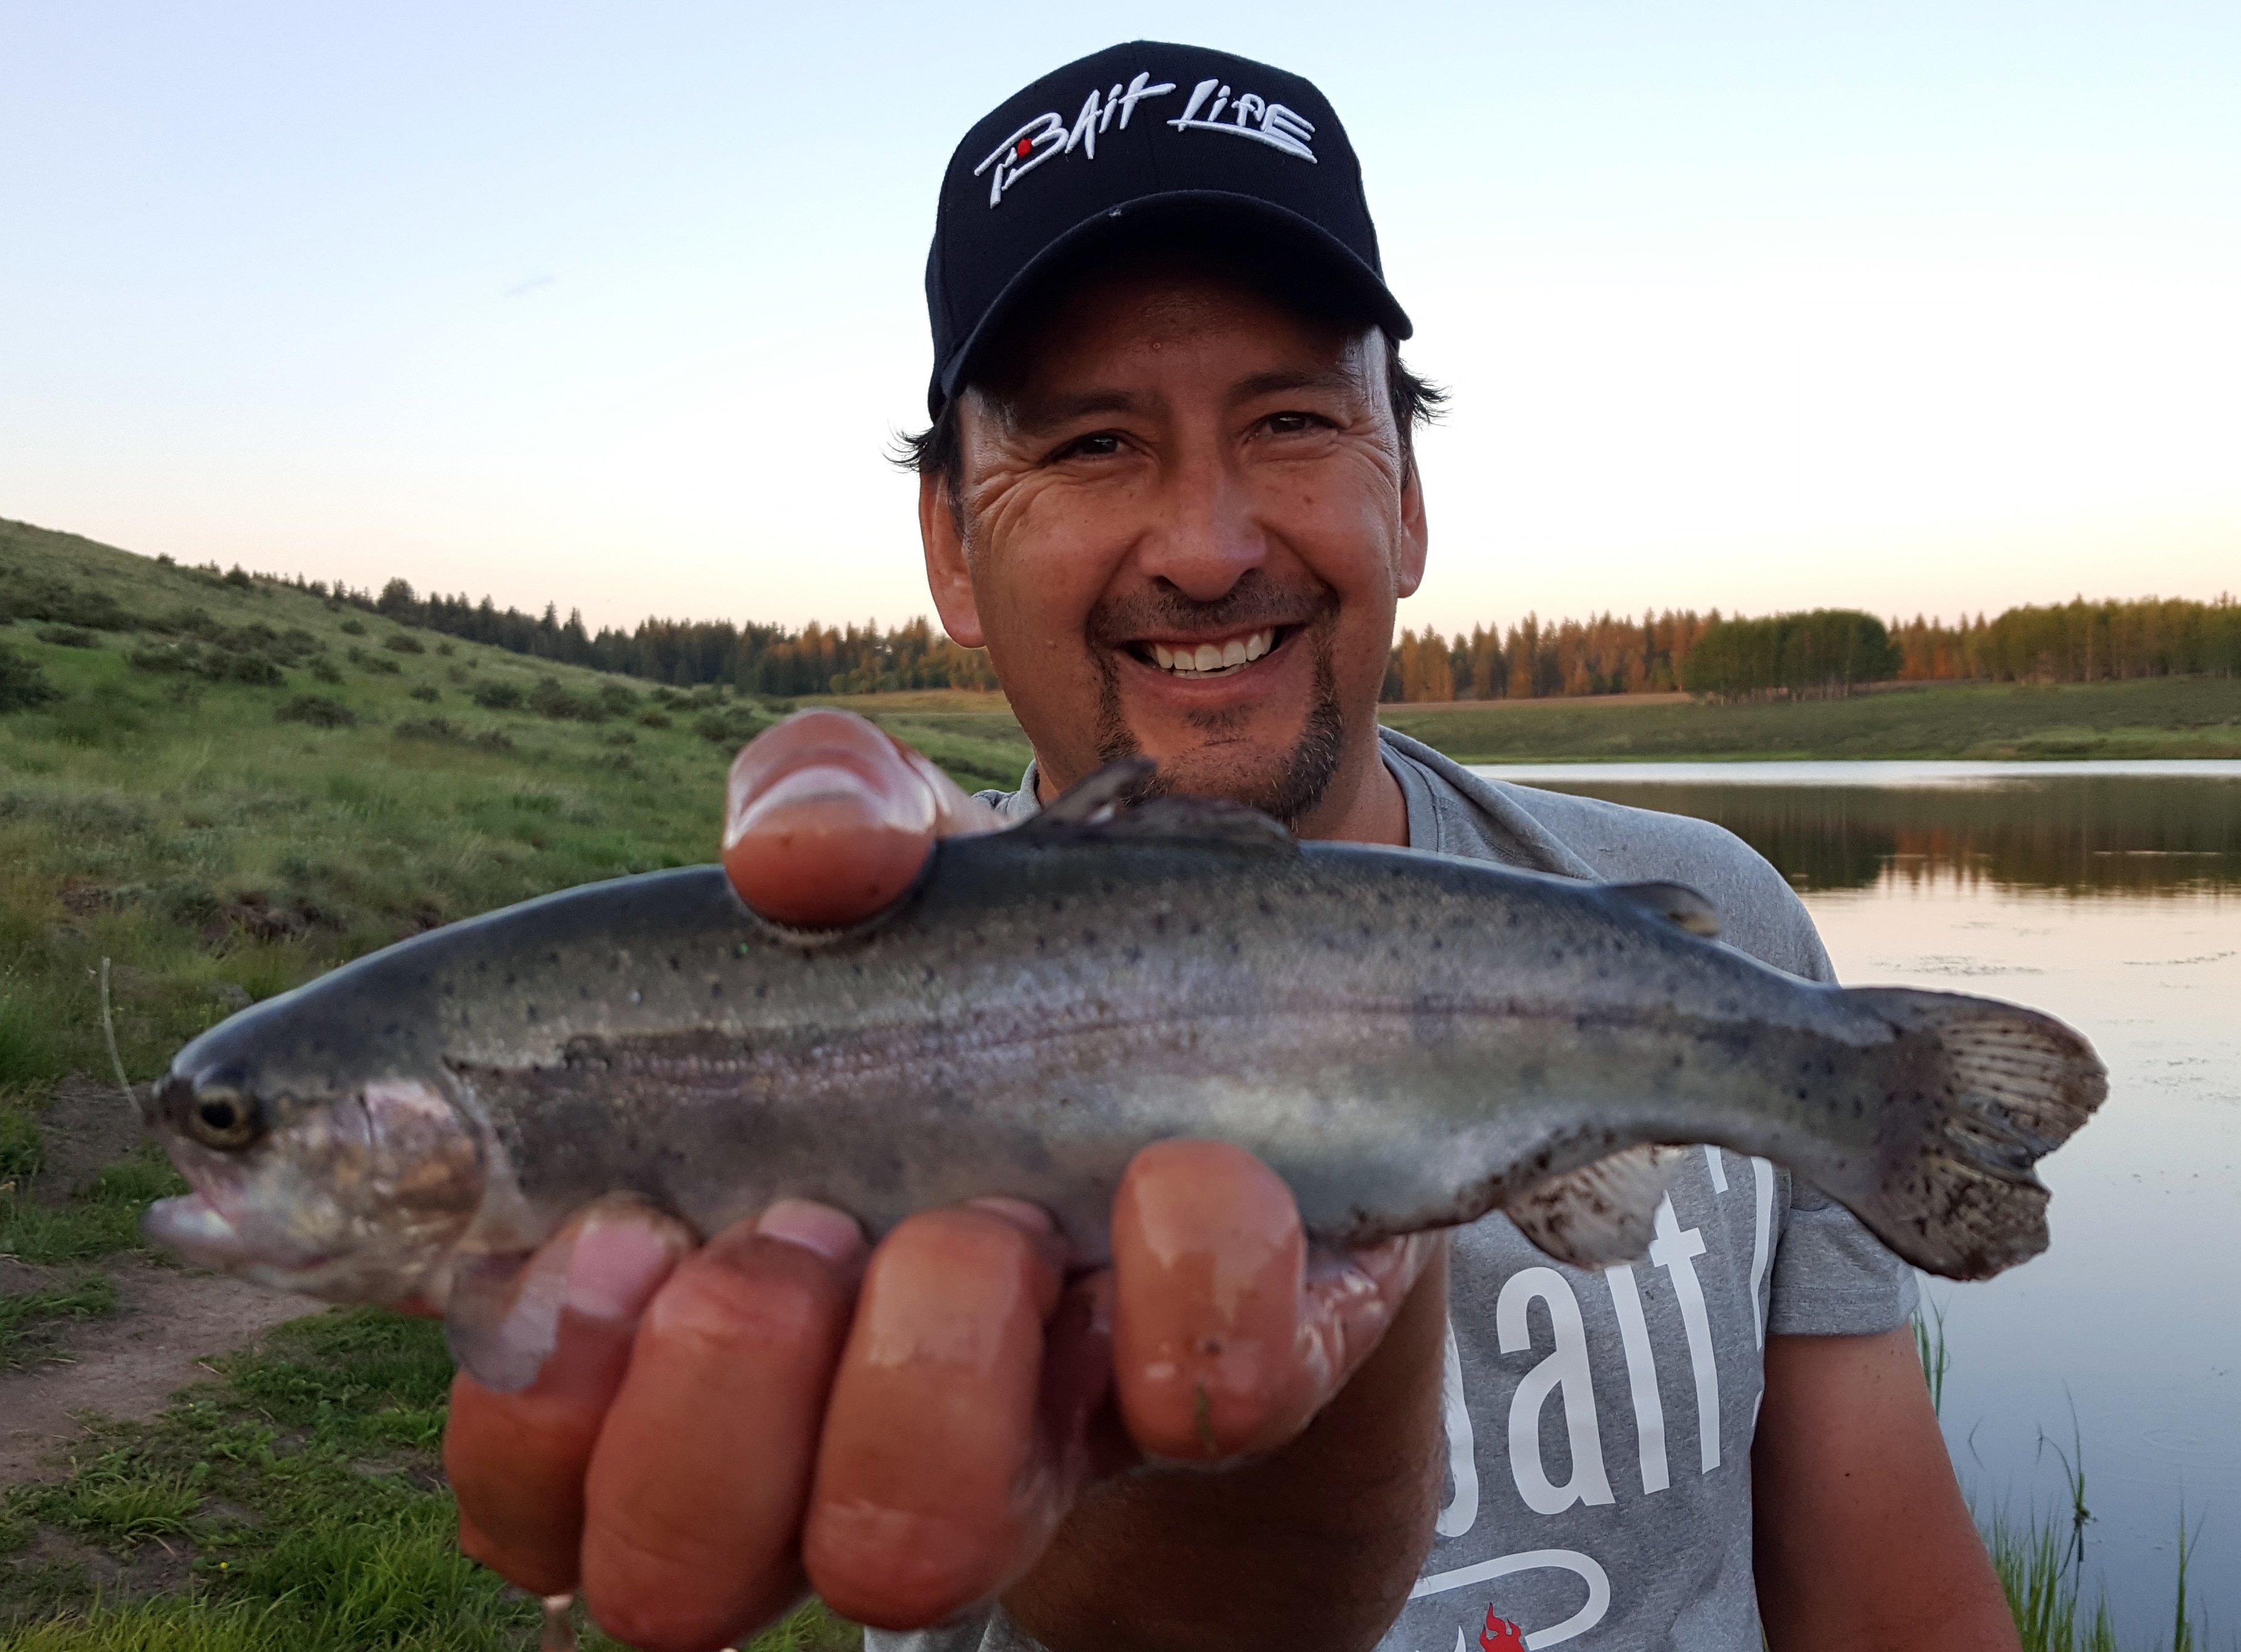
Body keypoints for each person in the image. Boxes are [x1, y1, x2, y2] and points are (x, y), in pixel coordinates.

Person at [441, 42, 2019, 1652]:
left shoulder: (1726, 936)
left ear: (1406, 489)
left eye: (1288, 421)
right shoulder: (853, 1033)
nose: (1204, 547)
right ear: (953, 547)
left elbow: (1889, 1589)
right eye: (1092, 446)